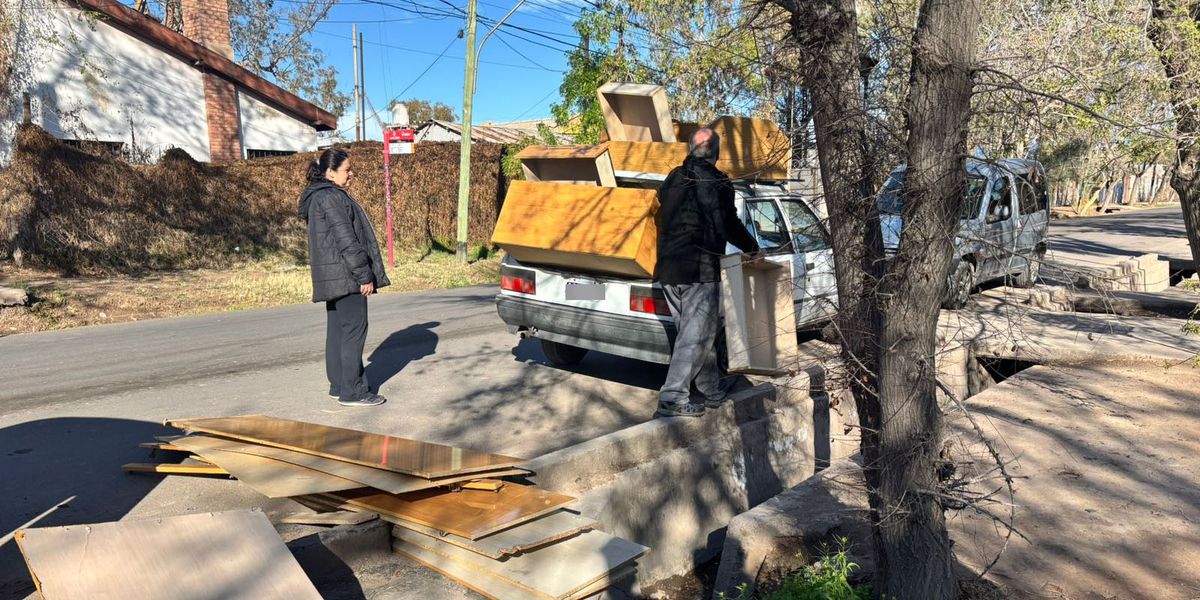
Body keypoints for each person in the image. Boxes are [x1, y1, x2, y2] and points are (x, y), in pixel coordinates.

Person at [654, 128, 762, 418]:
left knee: (699, 333)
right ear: (716, 153)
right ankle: (672, 398)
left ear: (690, 149)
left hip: (668, 270)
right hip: (699, 270)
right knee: (694, 336)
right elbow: (728, 224)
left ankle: (711, 388)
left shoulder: (673, 178)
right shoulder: (718, 182)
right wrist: (752, 247)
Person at [298, 148, 391, 407]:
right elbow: (347, 241)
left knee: (338, 331)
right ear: (330, 172)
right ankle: (352, 391)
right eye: (347, 170)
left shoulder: (319, 197)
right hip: (347, 276)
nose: (351, 174)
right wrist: (364, 275)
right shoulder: (331, 198)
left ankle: (339, 385)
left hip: (333, 277)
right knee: (353, 330)